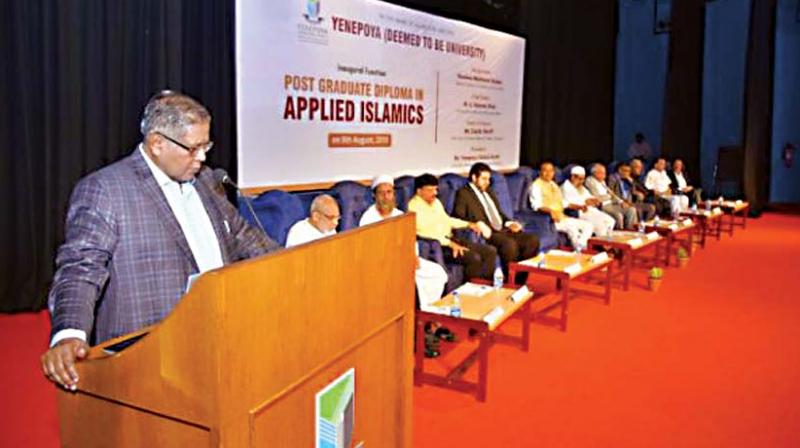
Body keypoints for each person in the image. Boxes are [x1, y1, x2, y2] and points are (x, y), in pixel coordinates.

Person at [41, 91, 279, 390]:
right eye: (193, 148)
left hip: (218, 338)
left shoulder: (206, 180)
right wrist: (69, 333)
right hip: (150, 356)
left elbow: (243, 234)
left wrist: (294, 265)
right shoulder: (106, 189)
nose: (203, 158)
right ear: (157, 144)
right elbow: (80, 268)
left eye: (206, 145)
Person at [359, 175, 448, 310]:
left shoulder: (400, 215)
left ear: (393, 194)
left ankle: (428, 312)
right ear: (374, 196)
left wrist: (414, 256)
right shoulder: (368, 218)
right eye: (381, 193)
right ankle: (421, 313)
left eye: (389, 192)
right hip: (383, 265)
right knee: (412, 282)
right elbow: (369, 250)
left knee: (438, 273)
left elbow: (411, 239)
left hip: (407, 259)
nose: (385, 197)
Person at [407, 174, 497, 281]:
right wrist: (450, 244)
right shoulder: (413, 208)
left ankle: (486, 287)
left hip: (452, 239)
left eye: (436, 189)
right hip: (439, 247)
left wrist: (468, 224)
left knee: (490, 251)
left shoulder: (435, 202)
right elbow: (425, 234)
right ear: (419, 191)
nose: (435, 193)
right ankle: (471, 292)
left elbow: (447, 220)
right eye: (430, 190)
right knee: (473, 258)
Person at [452, 163, 539, 272]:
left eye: (488, 179)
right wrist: (476, 224)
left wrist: (509, 223)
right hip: (488, 233)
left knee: (532, 240)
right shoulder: (463, 193)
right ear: (474, 177)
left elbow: (499, 214)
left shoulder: (489, 191)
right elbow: (459, 216)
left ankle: (522, 277)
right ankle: (511, 279)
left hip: (502, 229)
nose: (487, 182)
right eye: (484, 179)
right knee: (509, 245)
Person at [529, 162, 594, 249]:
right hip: (548, 220)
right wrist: (550, 211)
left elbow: (563, 203)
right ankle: (580, 251)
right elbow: (536, 206)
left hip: (562, 217)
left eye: (551, 171)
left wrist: (579, 207)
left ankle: (580, 248)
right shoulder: (536, 186)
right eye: (545, 170)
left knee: (588, 226)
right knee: (572, 229)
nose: (548, 173)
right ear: (540, 172)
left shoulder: (553, 184)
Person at [561, 166, 615, 237]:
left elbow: (589, 197)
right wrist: (585, 203)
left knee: (610, 220)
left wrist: (594, 200)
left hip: (590, 210)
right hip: (579, 212)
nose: (582, 181)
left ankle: (607, 242)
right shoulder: (565, 187)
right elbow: (566, 203)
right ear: (573, 177)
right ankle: (602, 245)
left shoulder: (581, 187)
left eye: (583, 179)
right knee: (601, 225)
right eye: (580, 179)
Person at [585, 163, 639, 230]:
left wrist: (621, 202)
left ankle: (630, 230)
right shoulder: (590, 181)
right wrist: (609, 196)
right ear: (595, 173)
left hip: (611, 203)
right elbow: (597, 197)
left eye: (604, 173)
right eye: (602, 173)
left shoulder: (602, 181)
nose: (604, 175)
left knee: (631, 210)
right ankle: (620, 233)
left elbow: (612, 194)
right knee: (618, 215)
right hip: (603, 206)